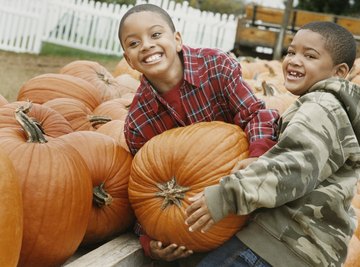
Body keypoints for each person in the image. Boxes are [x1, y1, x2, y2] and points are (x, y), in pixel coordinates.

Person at [185, 21, 360, 267]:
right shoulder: (331, 108)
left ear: (338, 72)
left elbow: (295, 166)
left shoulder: (321, 106)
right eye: (291, 52)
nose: (295, 60)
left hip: (280, 243)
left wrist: (228, 195)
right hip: (302, 249)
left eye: (310, 56)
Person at [118, 3, 280, 265]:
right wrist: (149, 241)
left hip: (248, 190)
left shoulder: (216, 66)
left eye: (156, 35)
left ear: (177, 40)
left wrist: (258, 156)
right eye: (134, 43)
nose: (147, 45)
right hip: (200, 222)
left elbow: (255, 114)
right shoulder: (138, 123)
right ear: (128, 60)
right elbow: (143, 191)